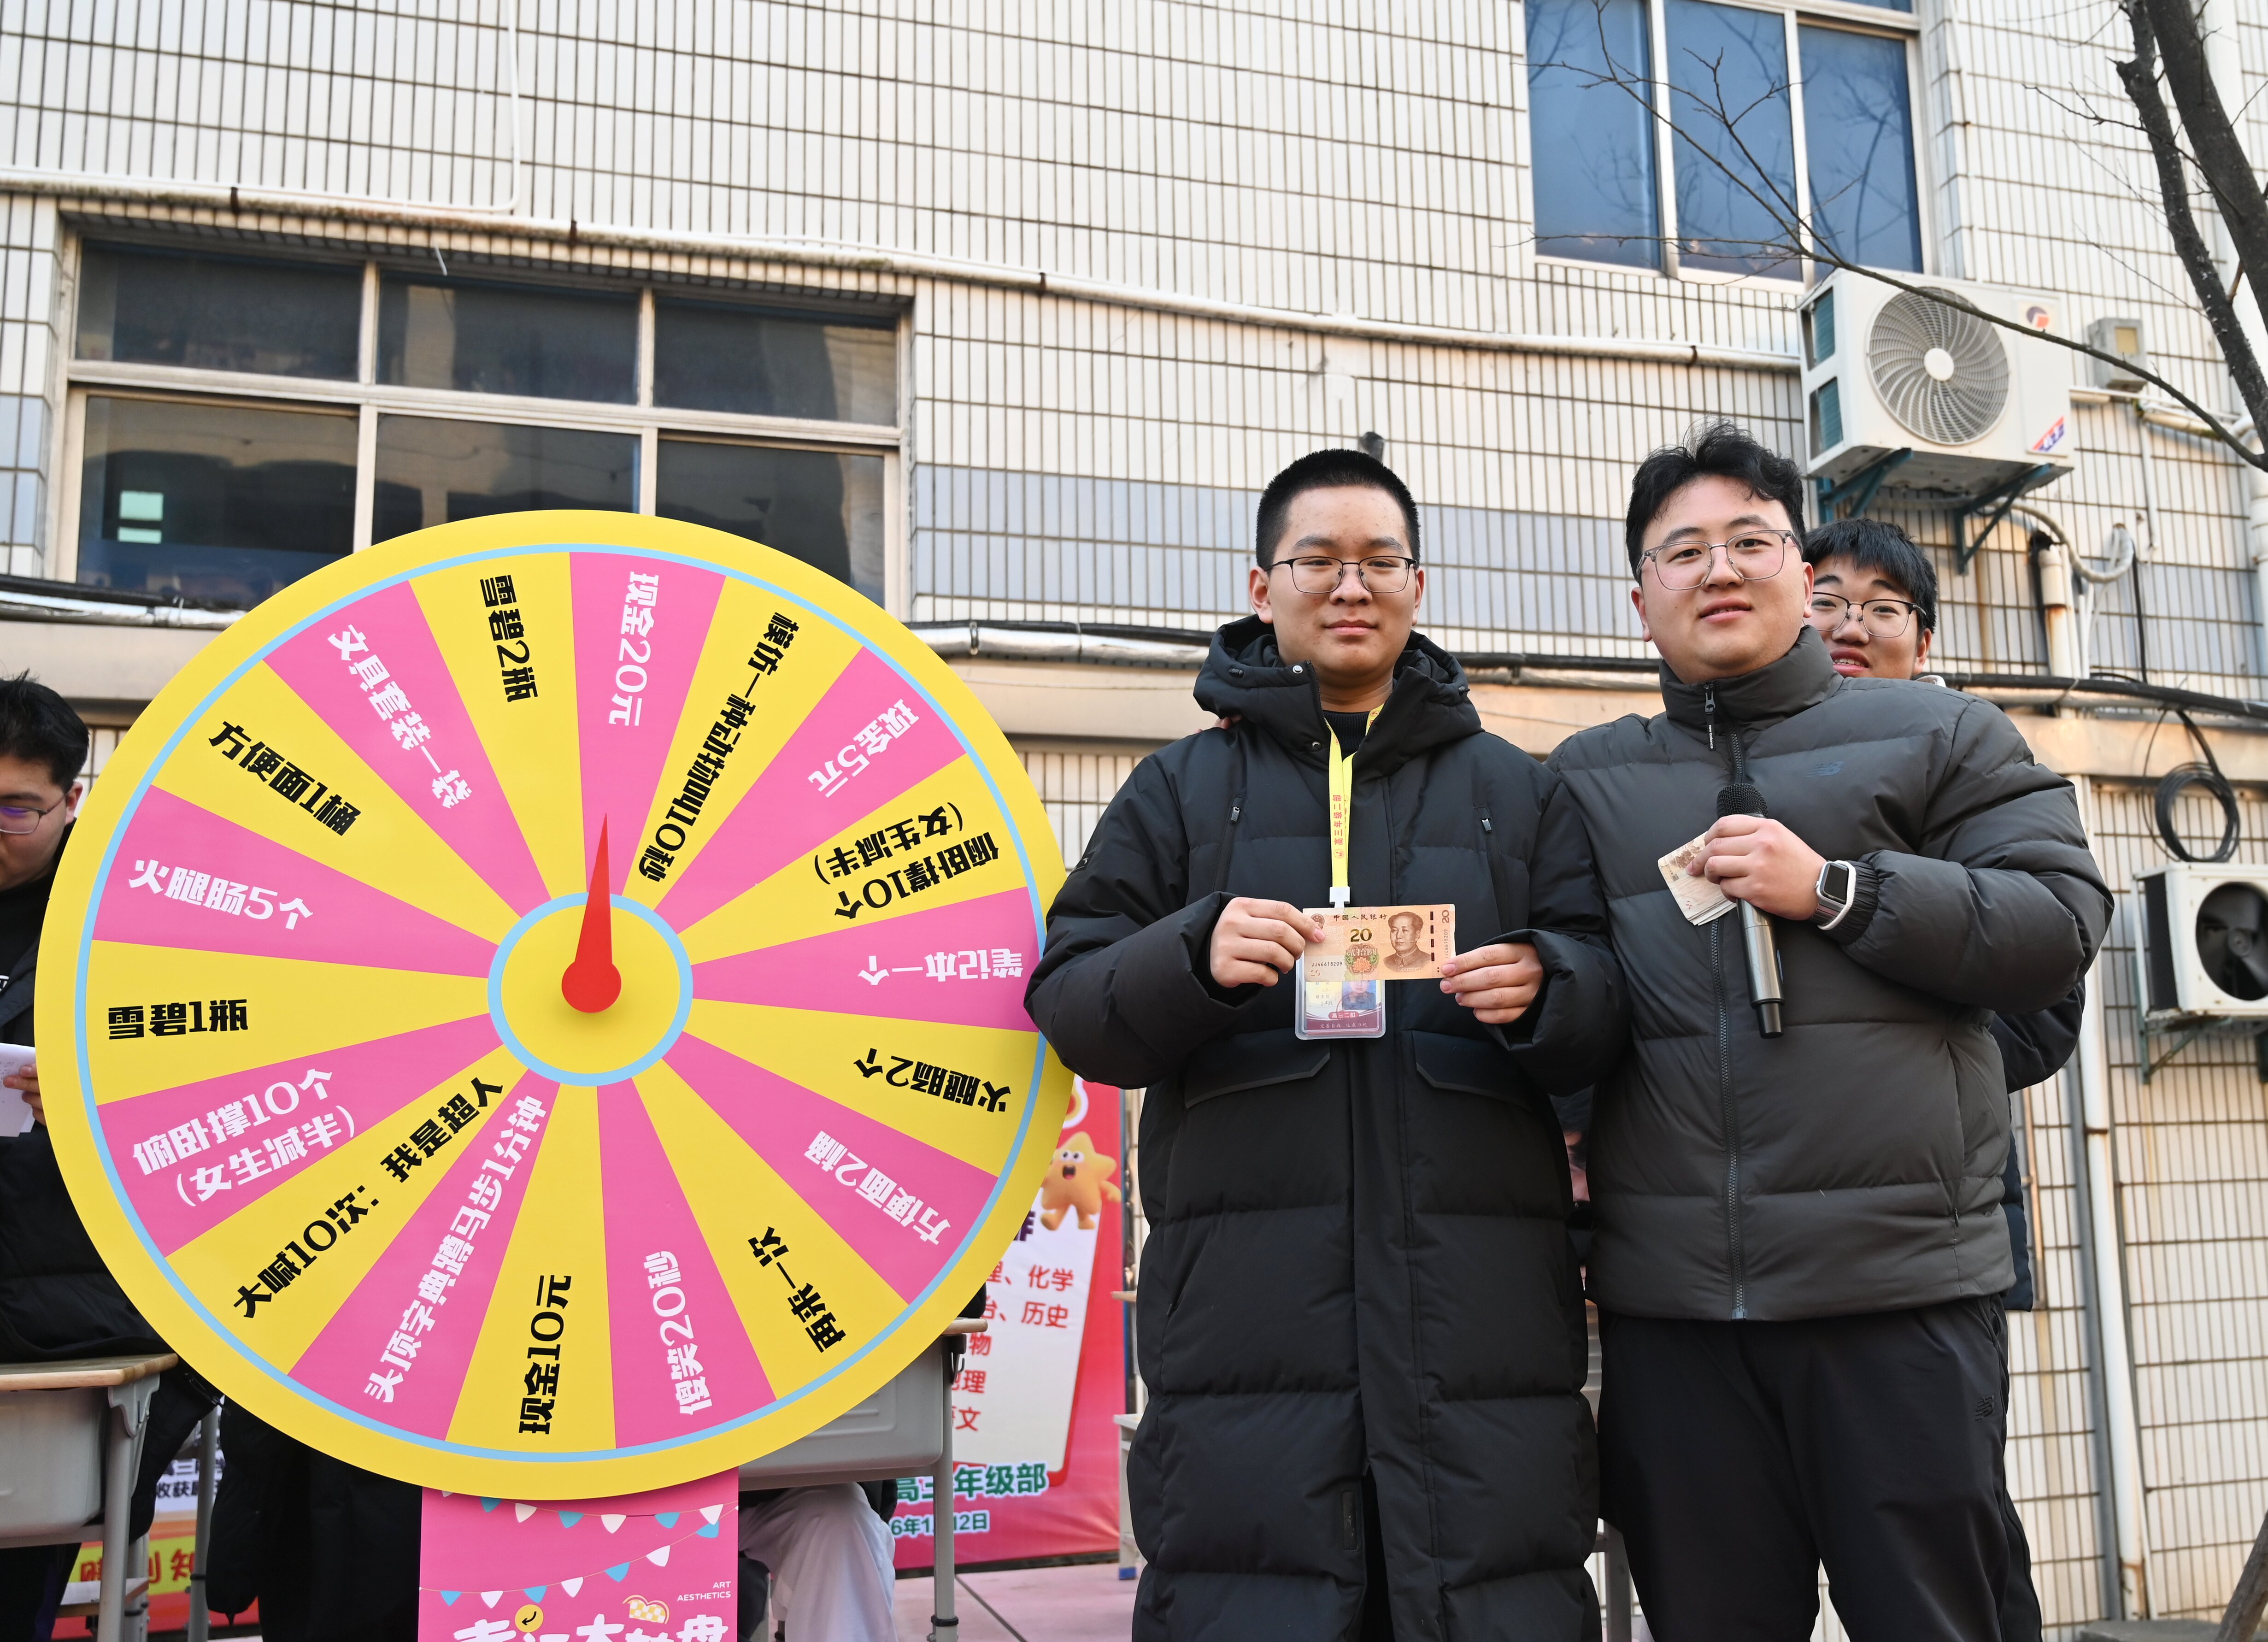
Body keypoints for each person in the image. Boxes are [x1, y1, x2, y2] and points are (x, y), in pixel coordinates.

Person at [1027, 448, 1627, 1638]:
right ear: (1262, 587)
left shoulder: (1517, 791)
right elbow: (1071, 997)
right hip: (1247, 1335)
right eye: (1318, 561)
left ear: (1418, 585)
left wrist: (1550, 985)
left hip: (1480, 1334)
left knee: (1487, 1605)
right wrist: (1191, 952)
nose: (1351, 586)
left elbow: (1613, 1004)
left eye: (1379, 561)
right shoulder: (1179, 791)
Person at [1546, 425, 2110, 1640]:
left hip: (1897, 1300)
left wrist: (1839, 891)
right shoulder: (1581, 781)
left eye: (1749, 541)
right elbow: (1562, 998)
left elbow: (2058, 922)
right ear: (1640, 601)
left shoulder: (1942, 735)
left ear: (1801, 576)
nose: (1718, 569)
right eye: (1681, 551)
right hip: (1675, 1320)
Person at [1804, 515, 2080, 1642]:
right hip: (1745, 1243)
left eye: (1883, 607)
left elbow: (2042, 1012)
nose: (1849, 625)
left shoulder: (1969, 764)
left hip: (1932, 1228)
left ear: (1923, 641)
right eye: (1826, 599)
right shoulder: (1718, 765)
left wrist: (1881, 1055)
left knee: (1948, 1548)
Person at [0, 673, 218, 1642]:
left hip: (68, 1326)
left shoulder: (131, 920)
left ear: (72, 799)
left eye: (16, 809)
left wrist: (110, 1099)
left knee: (20, 1578)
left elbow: (229, 1089)